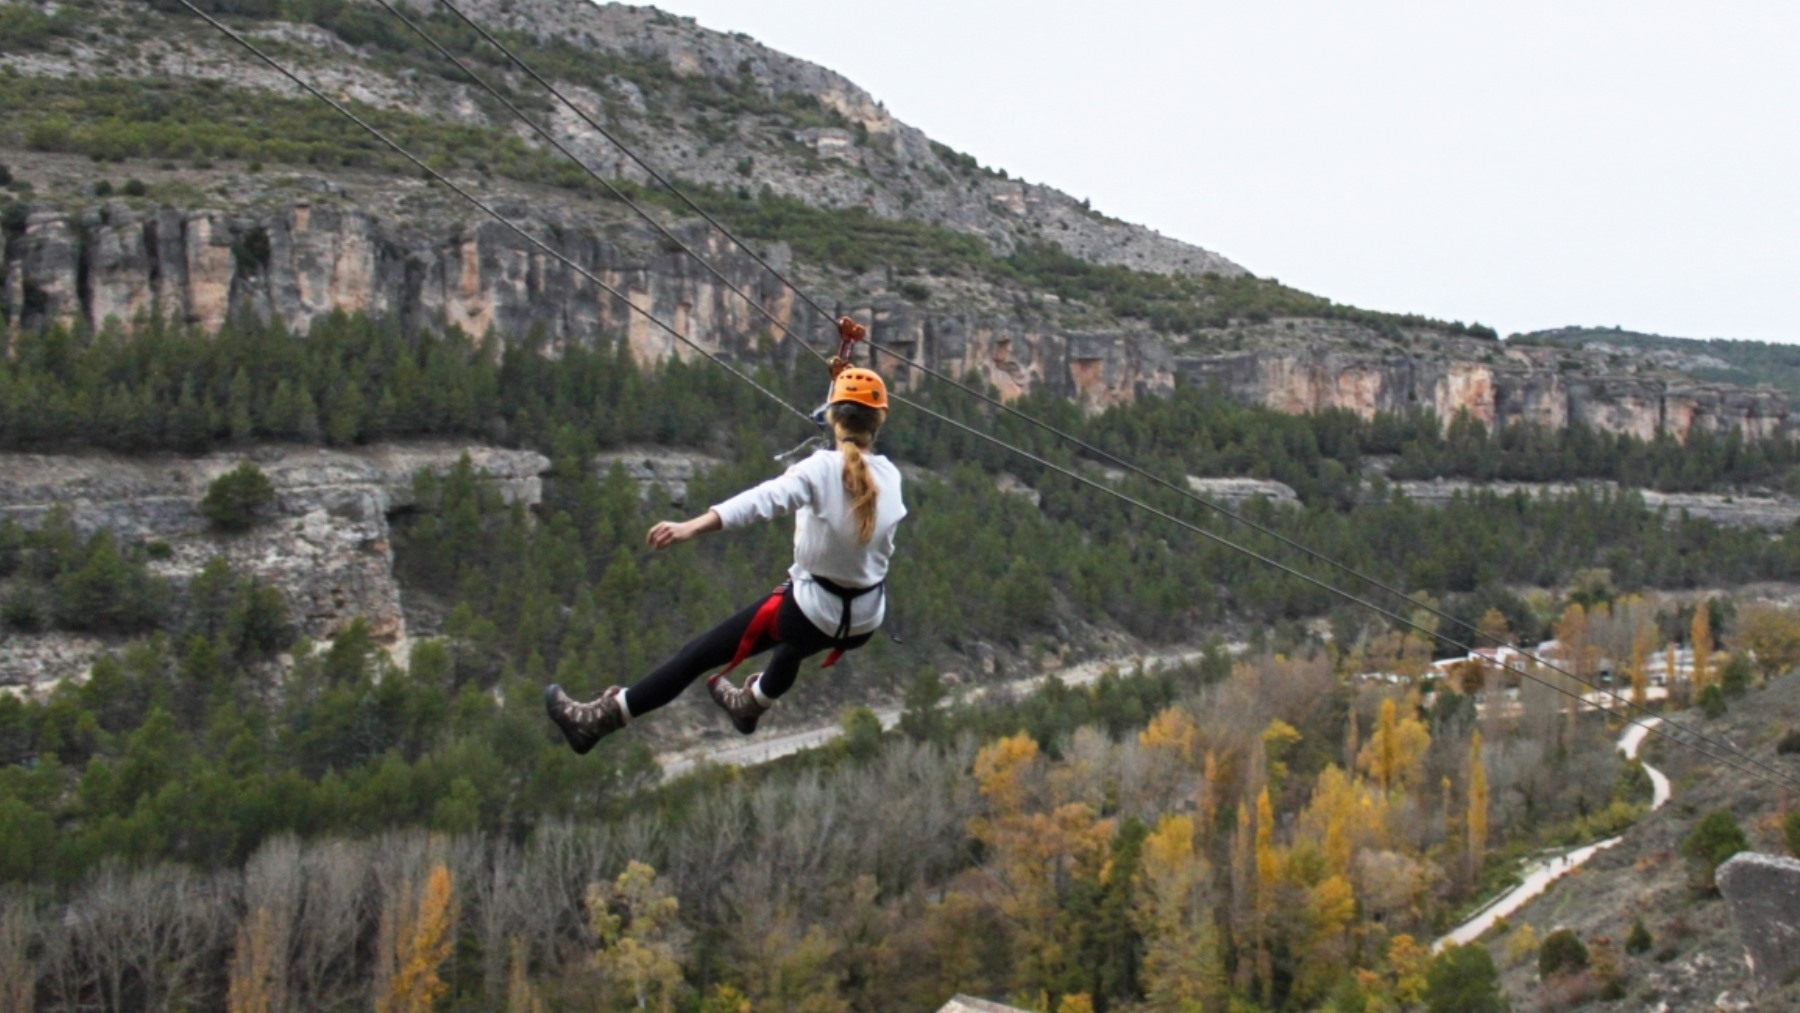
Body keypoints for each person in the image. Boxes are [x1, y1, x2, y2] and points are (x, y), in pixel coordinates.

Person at [546, 366, 906, 753]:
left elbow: (761, 500)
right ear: (878, 424)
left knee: (697, 655)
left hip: (811, 611)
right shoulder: (891, 476)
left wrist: (692, 526)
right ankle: (753, 703)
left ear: (832, 418)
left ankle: (601, 719)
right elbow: (846, 467)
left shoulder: (818, 470)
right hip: (865, 619)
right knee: (793, 648)